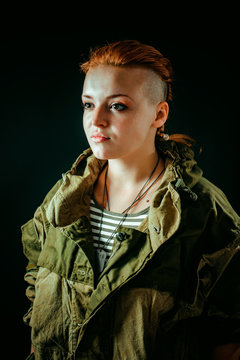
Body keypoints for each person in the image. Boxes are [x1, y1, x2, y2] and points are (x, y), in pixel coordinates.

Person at [22, 40, 240, 359]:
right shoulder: (62, 198)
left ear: (159, 113)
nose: (96, 121)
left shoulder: (202, 210)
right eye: (88, 104)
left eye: (117, 105)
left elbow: (229, 335)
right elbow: (36, 295)